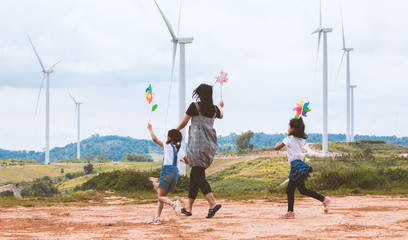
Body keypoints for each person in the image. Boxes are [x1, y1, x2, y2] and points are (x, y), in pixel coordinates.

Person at [176, 83, 224, 218]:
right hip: (209, 144)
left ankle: (212, 203)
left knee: (198, 175)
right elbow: (222, 115)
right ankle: (188, 207)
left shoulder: (194, 107)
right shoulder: (214, 109)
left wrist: (175, 131)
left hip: (197, 144)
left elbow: (184, 123)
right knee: (195, 175)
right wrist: (220, 106)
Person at [275, 117, 331, 219]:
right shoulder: (301, 140)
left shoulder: (288, 139)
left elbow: (277, 148)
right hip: (299, 165)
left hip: (296, 166)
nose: (288, 128)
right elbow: (299, 143)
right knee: (296, 189)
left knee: (297, 189)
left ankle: (324, 199)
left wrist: (279, 143)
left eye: (289, 126)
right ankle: (291, 211)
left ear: (292, 129)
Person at [147, 123, 188, 225]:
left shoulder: (167, 145)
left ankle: (173, 204)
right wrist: (180, 160)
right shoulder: (180, 150)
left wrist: (150, 129)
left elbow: (154, 139)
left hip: (167, 172)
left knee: (160, 197)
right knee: (162, 197)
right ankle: (157, 218)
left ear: (169, 138)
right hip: (175, 174)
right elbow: (187, 161)